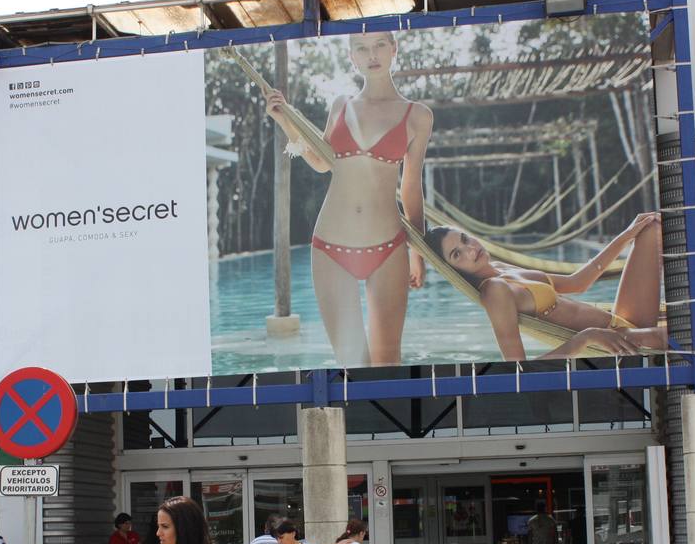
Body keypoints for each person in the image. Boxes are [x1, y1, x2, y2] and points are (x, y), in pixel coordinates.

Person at [265, 31, 433, 367]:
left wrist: (420, 254)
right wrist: (284, 119)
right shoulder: (341, 105)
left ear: (393, 48)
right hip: (331, 248)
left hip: (388, 248)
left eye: (379, 45)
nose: (372, 54)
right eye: (362, 48)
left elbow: (411, 187)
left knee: (387, 365)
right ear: (352, 56)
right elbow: (323, 161)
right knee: (352, 364)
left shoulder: (418, 115)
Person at [424, 212, 668, 360]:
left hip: (621, 320)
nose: (470, 249)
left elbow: (578, 283)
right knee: (687, 334)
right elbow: (519, 369)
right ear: (454, 270)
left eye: (465, 239)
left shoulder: (502, 268)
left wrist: (625, 235)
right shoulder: (494, 291)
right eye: (457, 254)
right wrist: (587, 338)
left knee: (650, 226)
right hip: (619, 340)